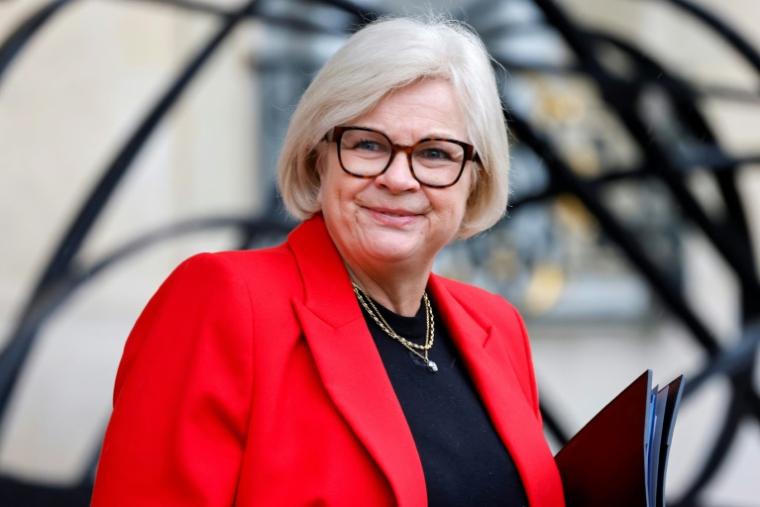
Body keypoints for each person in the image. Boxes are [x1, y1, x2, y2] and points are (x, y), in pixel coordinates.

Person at [91, 15, 565, 507]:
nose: (399, 178)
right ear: (320, 157)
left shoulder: (498, 326)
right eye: (367, 144)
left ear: (475, 179)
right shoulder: (225, 300)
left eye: (434, 153)